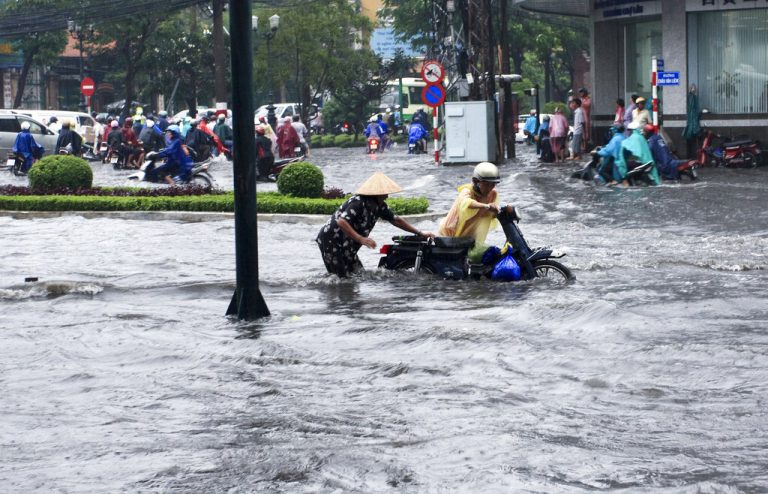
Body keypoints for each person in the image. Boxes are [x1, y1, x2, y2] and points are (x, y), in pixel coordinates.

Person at [316, 171, 435, 277]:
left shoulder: (380, 206)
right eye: (385, 193)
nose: (387, 195)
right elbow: (341, 221)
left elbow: (396, 220)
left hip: (348, 243)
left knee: (357, 274)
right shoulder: (358, 203)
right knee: (341, 277)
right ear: (377, 193)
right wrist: (361, 239)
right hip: (331, 240)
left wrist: (419, 233)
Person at [438, 162, 500, 260]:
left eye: (492, 184)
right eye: (486, 184)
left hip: (473, 230)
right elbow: (467, 203)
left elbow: (491, 213)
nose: (489, 188)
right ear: (477, 182)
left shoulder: (493, 193)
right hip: (453, 230)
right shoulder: (467, 191)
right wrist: (485, 206)